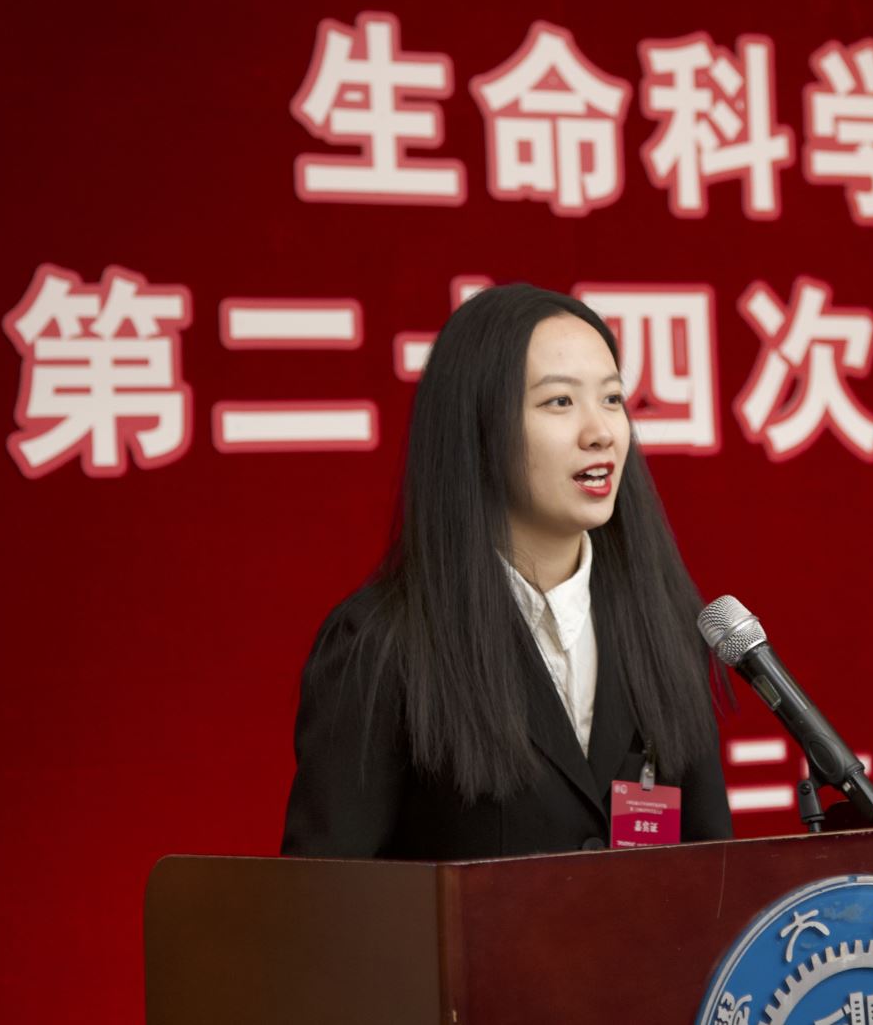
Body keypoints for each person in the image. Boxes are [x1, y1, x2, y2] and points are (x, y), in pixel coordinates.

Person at [281, 283, 733, 858]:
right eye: (559, 402)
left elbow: (714, 875)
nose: (600, 431)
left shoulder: (666, 625)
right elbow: (327, 899)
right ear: (478, 428)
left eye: (612, 398)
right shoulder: (381, 646)